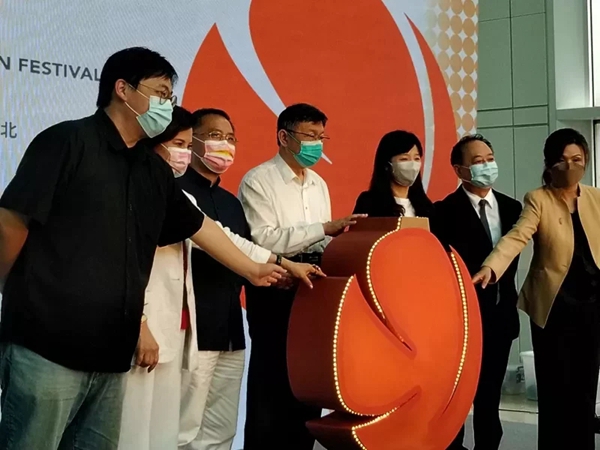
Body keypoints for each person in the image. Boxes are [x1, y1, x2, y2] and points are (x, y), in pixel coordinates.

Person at [0, 47, 286, 450]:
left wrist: (253, 269)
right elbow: (12, 219)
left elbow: (199, 226)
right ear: (123, 89)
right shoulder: (67, 141)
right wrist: (9, 286)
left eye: (170, 96)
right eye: (160, 93)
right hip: (47, 345)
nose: (167, 105)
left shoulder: (152, 169)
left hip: (111, 354)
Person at [118, 106, 322, 450]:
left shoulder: (229, 202)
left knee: (220, 431)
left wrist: (275, 268)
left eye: (230, 138)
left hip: (229, 329)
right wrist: (271, 264)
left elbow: (236, 244)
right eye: (212, 137)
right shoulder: (173, 191)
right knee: (172, 430)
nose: (224, 145)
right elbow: (215, 239)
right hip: (184, 328)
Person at [238, 103, 366, 450]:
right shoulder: (258, 180)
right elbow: (263, 239)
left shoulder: (318, 183)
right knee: (271, 385)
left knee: (307, 383)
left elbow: (321, 239)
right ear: (284, 136)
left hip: (313, 288)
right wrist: (323, 228)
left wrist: (342, 240)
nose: (317, 144)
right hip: (276, 287)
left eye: (322, 137)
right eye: (310, 136)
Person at [473, 128, 600, 450]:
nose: (570, 166)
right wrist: (491, 266)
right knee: (556, 390)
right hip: (554, 307)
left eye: (577, 159)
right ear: (549, 163)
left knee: (585, 389)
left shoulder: (596, 198)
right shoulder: (538, 199)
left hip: (592, 304)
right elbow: (516, 237)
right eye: (562, 160)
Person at [434, 135, 522, 450]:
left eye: (490, 158)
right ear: (459, 169)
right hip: (460, 324)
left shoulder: (513, 209)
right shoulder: (443, 212)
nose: (487, 165)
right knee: (456, 398)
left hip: (500, 319)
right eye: (477, 161)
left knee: (489, 399)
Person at [352, 130, 434, 218]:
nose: (412, 165)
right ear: (387, 165)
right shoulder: (370, 202)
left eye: (416, 159)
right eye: (404, 159)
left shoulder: (426, 207)